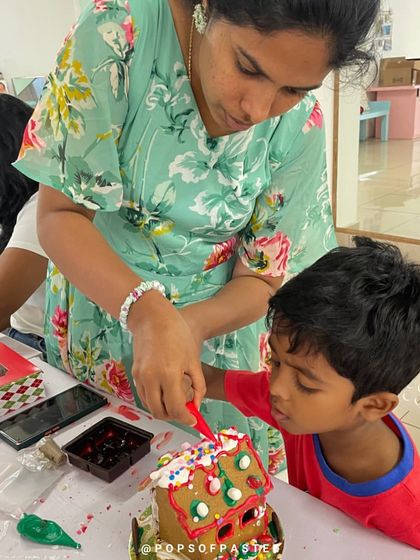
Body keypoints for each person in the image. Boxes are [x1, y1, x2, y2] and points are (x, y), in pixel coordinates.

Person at [14, 0, 379, 466]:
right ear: (206, 7)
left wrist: (188, 325)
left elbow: (262, 278)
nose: (258, 109)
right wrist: (146, 313)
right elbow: (58, 215)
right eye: (247, 68)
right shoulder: (119, 33)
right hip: (102, 311)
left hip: (215, 341)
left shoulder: (298, 125)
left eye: (293, 89)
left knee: (205, 499)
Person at [190, 237, 420, 549]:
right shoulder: (299, 408)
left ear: (374, 405)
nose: (276, 388)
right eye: (275, 362)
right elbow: (213, 380)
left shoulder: (408, 509)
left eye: (306, 384)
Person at [0, 94, 47, 356]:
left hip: (35, 343)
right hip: (22, 335)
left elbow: (3, 301)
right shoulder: (16, 204)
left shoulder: (40, 206)